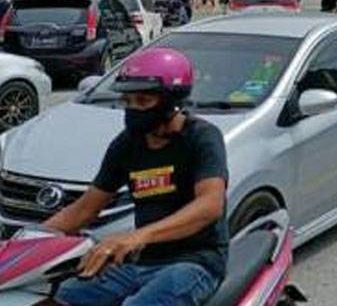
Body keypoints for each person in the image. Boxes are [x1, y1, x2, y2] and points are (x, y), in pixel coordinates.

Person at [47, 48, 228, 306]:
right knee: (62, 297)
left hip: (193, 262)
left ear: (170, 101)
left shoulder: (202, 137)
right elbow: (84, 210)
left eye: (143, 102)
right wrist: (24, 245)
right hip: (140, 261)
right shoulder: (127, 145)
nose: (133, 110)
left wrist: (136, 237)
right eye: (128, 102)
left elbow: (209, 206)